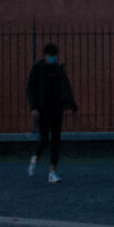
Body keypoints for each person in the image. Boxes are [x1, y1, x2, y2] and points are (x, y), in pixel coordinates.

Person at [26, 44, 77, 183]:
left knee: (56, 140)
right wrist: (34, 107)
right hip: (42, 110)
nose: (53, 58)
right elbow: (30, 88)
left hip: (57, 109)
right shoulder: (38, 68)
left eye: (55, 55)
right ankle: (35, 157)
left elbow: (66, 87)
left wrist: (73, 107)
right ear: (45, 55)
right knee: (44, 139)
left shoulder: (58, 69)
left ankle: (52, 172)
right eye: (51, 55)